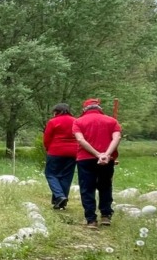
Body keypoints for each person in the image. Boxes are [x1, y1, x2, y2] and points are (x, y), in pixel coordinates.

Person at [72, 98, 121, 228]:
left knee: (87, 188)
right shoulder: (112, 121)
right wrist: (106, 155)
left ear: (84, 109)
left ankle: (91, 220)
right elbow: (117, 138)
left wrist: (97, 154)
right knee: (105, 186)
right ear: (99, 108)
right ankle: (105, 215)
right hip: (107, 160)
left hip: (85, 159)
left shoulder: (78, 121)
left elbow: (80, 140)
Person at [42, 103, 78, 210]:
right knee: (66, 176)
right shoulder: (76, 121)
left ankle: (59, 196)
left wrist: (48, 148)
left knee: (51, 174)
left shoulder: (53, 121)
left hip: (56, 151)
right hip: (73, 152)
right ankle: (60, 202)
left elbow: (47, 138)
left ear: (56, 111)